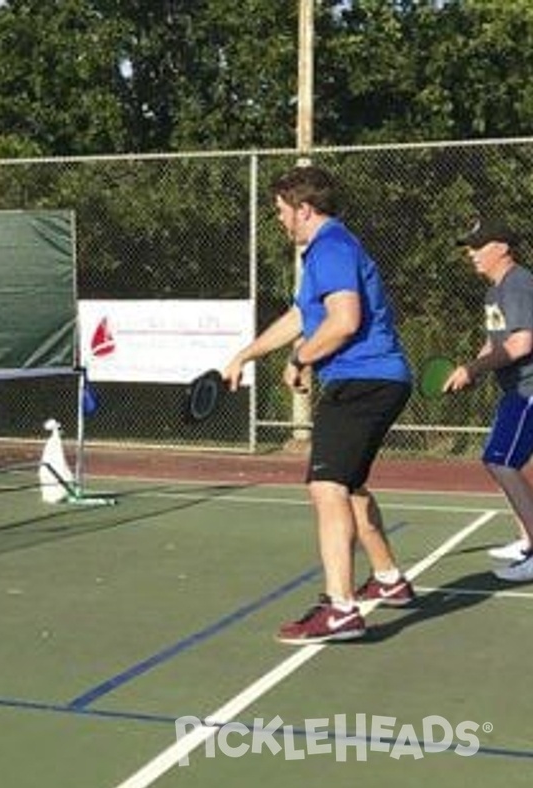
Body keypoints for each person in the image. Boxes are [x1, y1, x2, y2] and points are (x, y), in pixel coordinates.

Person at [223, 165, 414, 644]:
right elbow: (299, 317)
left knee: (325, 486)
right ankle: (389, 579)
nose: (281, 221)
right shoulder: (329, 251)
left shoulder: (330, 247)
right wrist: (247, 354)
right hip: (376, 380)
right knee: (348, 485)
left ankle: (341, 609)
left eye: (282, 212)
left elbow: (344, 320)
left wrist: (300, 359)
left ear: (303, 209)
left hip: (362, 381)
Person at [443, 219, 533, 581]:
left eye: (478, 246)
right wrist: (471, 369)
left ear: (502, 248)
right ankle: (527, 539)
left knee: (500, 460)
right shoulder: (493, 293)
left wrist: (473, 368)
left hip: (529, 390)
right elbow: (495, 343)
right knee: (518, 463)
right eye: (469, 247)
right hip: (515, 389)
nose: (471, 253)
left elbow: (522, 343)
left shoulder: (519, 285)